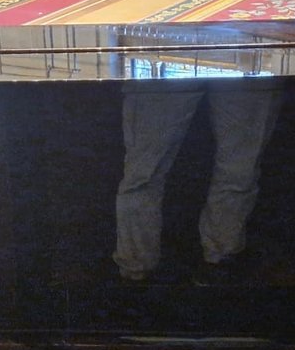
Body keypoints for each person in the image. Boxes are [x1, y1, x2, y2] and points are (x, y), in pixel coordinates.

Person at [113, 78, 284, 283]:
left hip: (239, 53)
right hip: (173, 52)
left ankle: (138, 269)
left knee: (239, 170)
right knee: (143, 174)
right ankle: (137, 268)